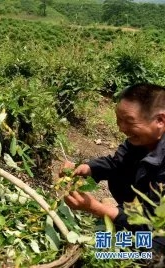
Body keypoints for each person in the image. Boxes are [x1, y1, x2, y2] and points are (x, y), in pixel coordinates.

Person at [62, 83, 165, 253]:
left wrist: (96, 208)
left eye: (129, 121)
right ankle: (123, 217)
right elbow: (115, 163)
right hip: (145, 213)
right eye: (118, 119)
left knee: (149, 254)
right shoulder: (142, 140)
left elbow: (153, 222)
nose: (121, 128)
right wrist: (87, 168)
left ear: (160, 120)